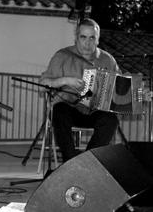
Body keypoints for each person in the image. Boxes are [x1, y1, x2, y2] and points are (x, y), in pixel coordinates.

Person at [39, 18, 120, 162]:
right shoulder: (62, 56)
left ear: (98, 40)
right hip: (70, 109)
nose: (87, 43)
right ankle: (70, 160)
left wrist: (138, 95)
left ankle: (89, 160)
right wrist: (64, 80)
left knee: (111, 119)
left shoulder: (108, 60)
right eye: (83, 37)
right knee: (59, 111)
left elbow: (119, 88)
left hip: (96, 111)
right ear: (76, 38)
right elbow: (43, 83)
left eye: (92, 38)